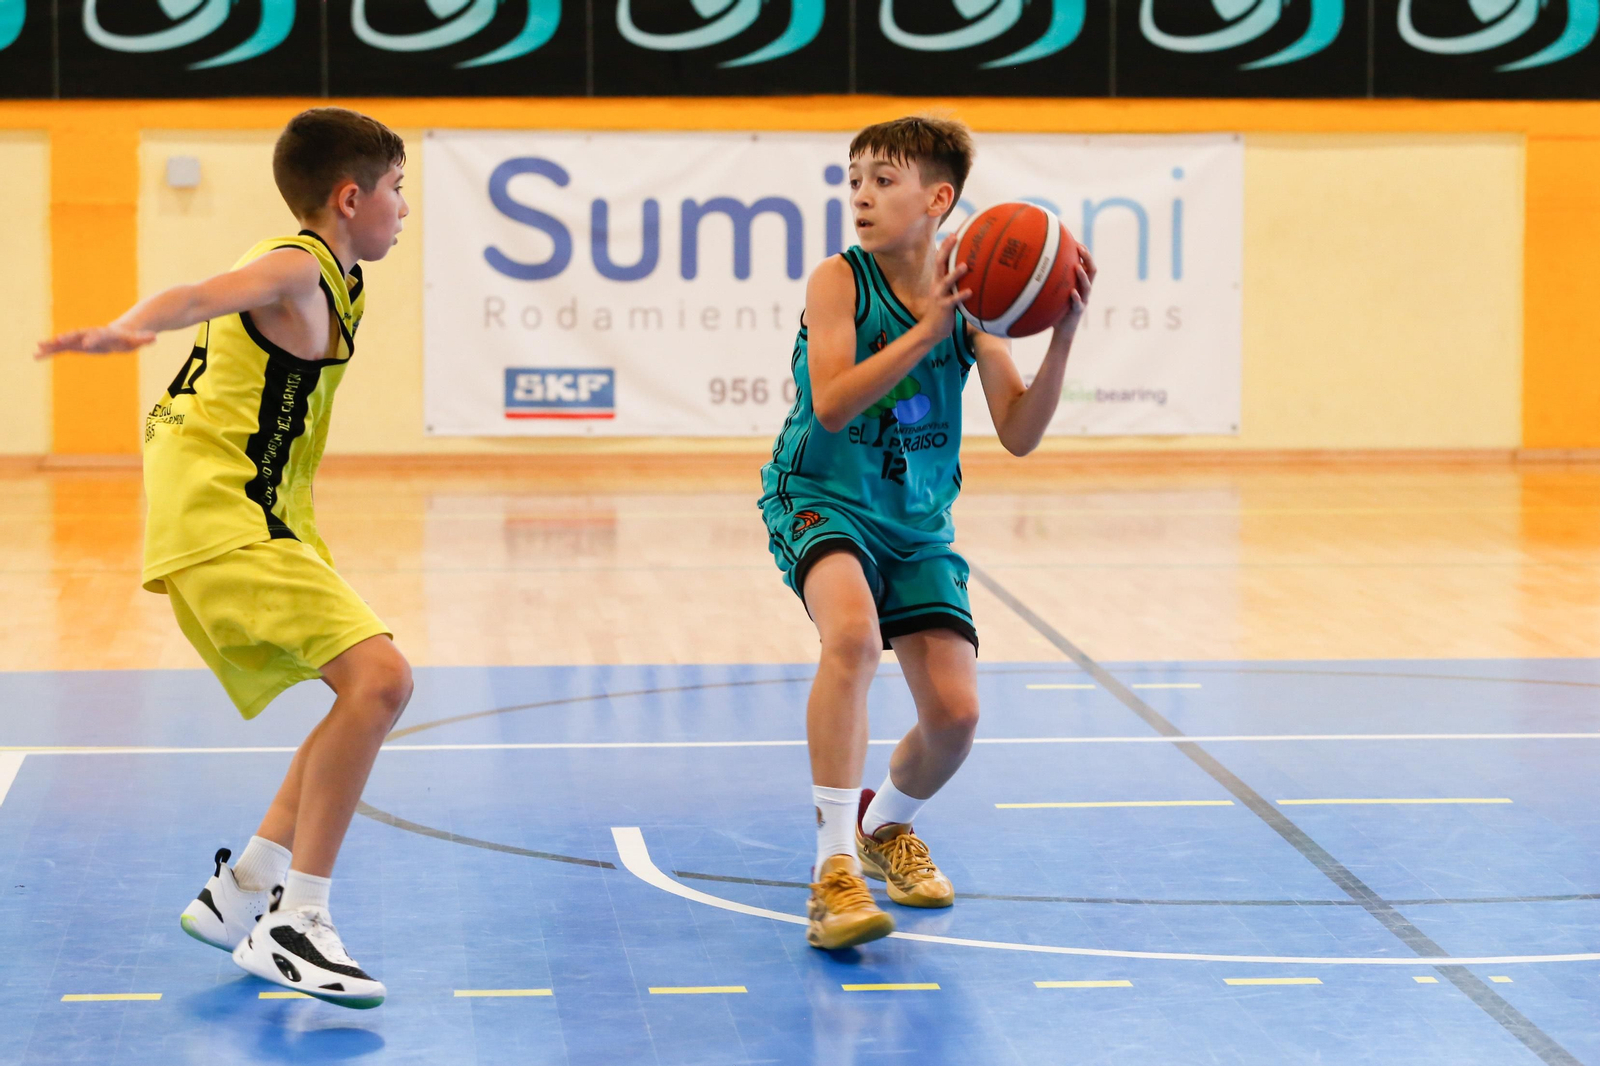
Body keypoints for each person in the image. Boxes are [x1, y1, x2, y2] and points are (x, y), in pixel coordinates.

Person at [36, 107, 412, 1008]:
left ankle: (243, 887)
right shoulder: (295, 265)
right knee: (382, 682)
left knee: (364, 688)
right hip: (223, 516)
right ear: (349, 197)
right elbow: (202, 293)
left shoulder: (335, 277)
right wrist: (129, 325)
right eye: (398, 191)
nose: (405, 209)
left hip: (259, 514)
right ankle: (295, 922)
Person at [759, 115, 1096, 950]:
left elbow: (1019, 433)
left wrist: (1063, 339)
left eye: (884, 179)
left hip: (915, 521)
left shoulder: (973, 295)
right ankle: (833, 868)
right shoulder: (838, 281)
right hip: (820, 494)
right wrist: (925, 332)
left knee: (955, 716)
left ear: (939, 198)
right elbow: (834, 404)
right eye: (855, 180)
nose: (863, 195)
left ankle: (884, 827)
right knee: (852, 642)